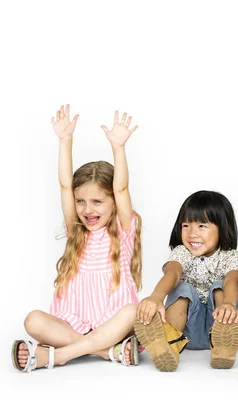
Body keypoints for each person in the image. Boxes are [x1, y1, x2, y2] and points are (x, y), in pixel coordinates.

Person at [13, 105, 143, 372]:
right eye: (81, 201)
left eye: (97, 201)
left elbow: (121, 187)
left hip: (112, 320)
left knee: (132, 312)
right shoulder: (77, 231)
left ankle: (56, 356)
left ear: (113, 204)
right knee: (33, 321)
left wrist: (118, 148)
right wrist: (65, 141)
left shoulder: (123, 228)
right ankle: (107, 352)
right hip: (74, 322)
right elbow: (64, 185)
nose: (87, 210)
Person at [135, 191, 238, 372]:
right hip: (185, 331)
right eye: (186, 225)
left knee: (220, 287)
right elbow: (173, 273)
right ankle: (169, 344)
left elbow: (233, 281)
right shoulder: (182, 252)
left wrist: (229, 304)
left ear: (222, 228)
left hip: (220, 322)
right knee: (182, 288)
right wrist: (156, 297)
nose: (192, 233)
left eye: (202, 226)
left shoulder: (230, 256)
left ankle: (222, 347)